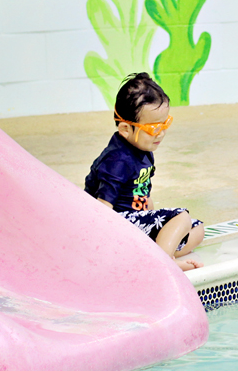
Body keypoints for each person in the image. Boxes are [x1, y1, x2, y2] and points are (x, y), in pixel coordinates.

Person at [84, 73, 204, 272]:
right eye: (154, 127)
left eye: (165, 124)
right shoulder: (117, 160)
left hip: (135, 225)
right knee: (181, 217)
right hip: (117, 228)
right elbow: (101, 209)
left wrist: (152, 217)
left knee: (197, 229)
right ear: (125, 128)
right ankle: (164, 262)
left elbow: (143, 196)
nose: (161, 132)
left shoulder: (143, 149)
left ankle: (155, 253)